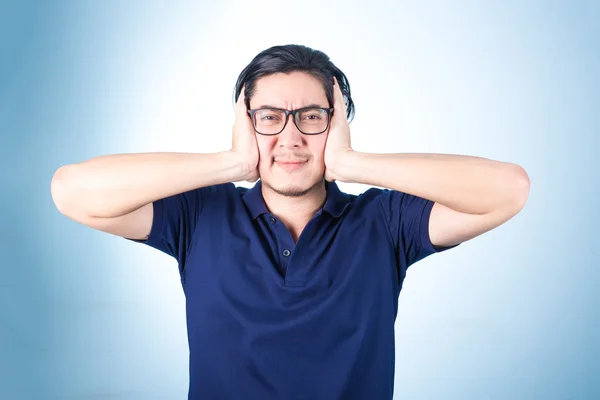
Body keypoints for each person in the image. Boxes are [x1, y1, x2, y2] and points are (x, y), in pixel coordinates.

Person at [51, 44, 530, 400]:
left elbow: (508, 190)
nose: (291, 136)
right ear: (245, 124)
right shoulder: (199, 215)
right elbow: (72, 192)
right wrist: (233, 162)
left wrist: (352, 163)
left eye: (311, 117)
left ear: (337, 123)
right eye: (269, 117)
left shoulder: (386, 222)